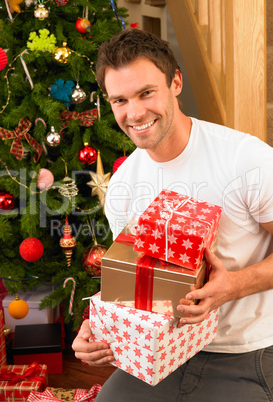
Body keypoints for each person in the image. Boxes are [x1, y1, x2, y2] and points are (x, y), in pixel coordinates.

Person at [72, 29, 273, 401]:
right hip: (165, 351)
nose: (134, 113)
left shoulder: (245, 159)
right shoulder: (123, 186)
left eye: (146, 93)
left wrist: (235, 286)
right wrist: (100, 327)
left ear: (175, 82)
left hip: (248, 352)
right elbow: (139, 282)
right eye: (120, 100)